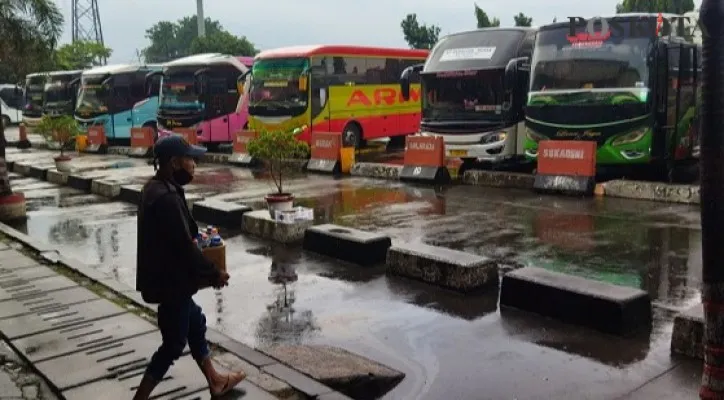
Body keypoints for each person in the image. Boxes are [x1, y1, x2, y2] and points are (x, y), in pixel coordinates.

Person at [132, 135, 246, 399]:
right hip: (171, 283)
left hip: (167, 279)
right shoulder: (166, 199)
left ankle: (215, 380)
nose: (194, 164)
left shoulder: (155, 188)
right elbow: (184, 247)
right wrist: (214, 272)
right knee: (173, 345)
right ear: (174, 163)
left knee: (195, 323)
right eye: (189, 159)